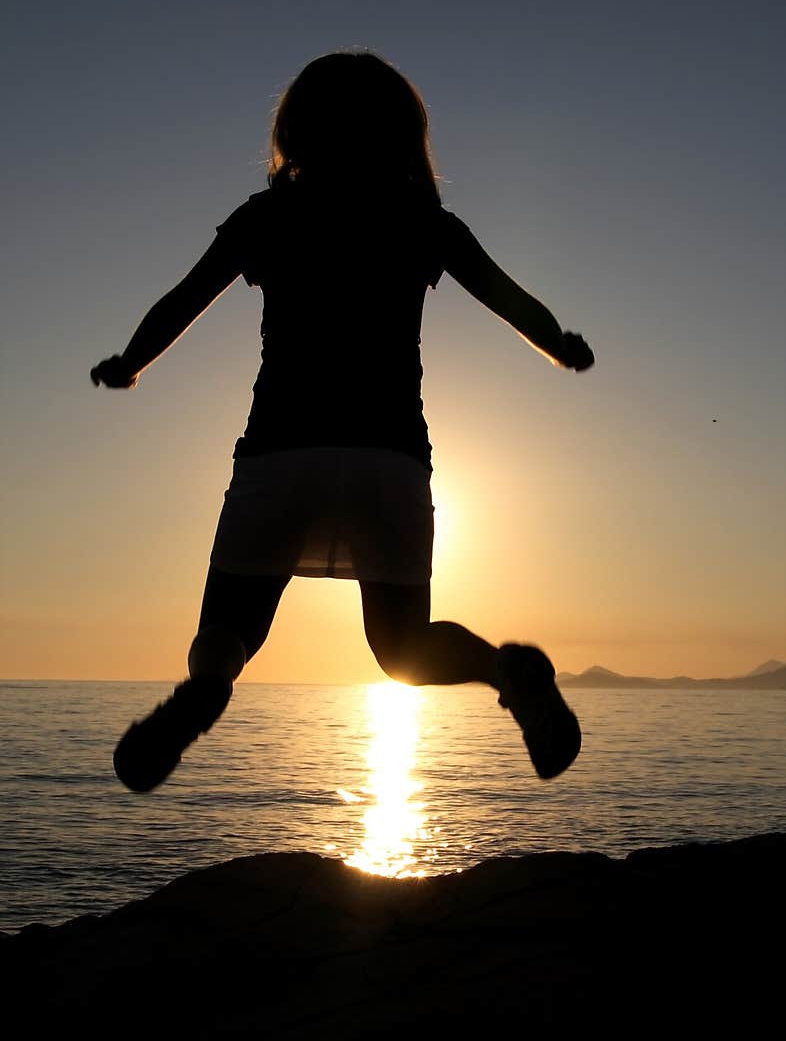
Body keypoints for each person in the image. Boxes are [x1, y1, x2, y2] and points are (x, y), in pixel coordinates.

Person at [91, 50, 594, 793]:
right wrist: (560, 345)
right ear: (406, 136)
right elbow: (509, 298)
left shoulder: (268, 217)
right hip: (389, 461)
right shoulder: (425, 223)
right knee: (400, 649)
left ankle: (204, 692)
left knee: (231, 626)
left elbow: (182, 300)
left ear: (296, 127)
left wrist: (131, 361)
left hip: (279, 454)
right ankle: (504, 671)